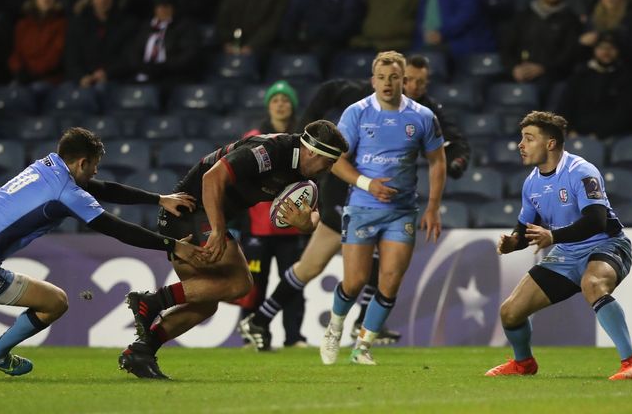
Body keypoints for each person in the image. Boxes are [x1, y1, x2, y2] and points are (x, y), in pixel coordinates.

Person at [0, 127, 207, 376]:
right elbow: (117, 228)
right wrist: (173, 244)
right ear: (81, 163)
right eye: (93, 166)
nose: (95, 172)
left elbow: (102, 188)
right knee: (55, 302)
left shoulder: (45, 165)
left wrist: (159, 199)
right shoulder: (67, 194)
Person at [238, 53, 468, 351]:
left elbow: (449, 141)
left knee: (341, 265)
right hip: (345, 192)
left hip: (387, 202)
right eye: (409, 79)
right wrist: (307, 129)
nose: (413, 86)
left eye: (420, 83)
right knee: (314, 266)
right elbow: (329, 91)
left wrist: (459, 159)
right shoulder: (360, 101)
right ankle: (265, 320)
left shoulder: (424, 111)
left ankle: (351, 324)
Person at [120, 120, 349, 379]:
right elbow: (212, 178)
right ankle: (151, 302)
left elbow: (313, 216)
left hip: (201, 215)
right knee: (240, 282)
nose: (329, 169)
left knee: (205, 304)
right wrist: (218, 231)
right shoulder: (270, 151)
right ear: (312, 152)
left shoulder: (305, 175)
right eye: (328, 162)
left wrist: (305, 223)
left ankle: (141, 351)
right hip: (187, 211)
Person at [485, 111, 632, 380]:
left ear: (550, 143)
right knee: (510, 312)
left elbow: (596, 221)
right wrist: (513, 242)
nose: (520, 145)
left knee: (593, 283)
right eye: (521, 138)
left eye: (528, 138)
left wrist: (554, 237)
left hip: (607, 244)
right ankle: (523, 363)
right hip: (566, 253)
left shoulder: (581, 172)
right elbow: (525, 228)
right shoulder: (532, 183)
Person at [317, 50, 446, 366]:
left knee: (390, 281)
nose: (387, 83)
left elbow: (437, 161)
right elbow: (335, 160)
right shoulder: (356, 113)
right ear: (372, 80)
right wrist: (367, 184)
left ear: (404, 80)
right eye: (381, 77)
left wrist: (432, 207)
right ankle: (334, 328)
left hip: (402, 211)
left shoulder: (423, 117)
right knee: (355, 280)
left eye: (394, 78)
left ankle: (362, 347)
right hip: (362, 207)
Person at [236, 80, 309, 348]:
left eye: (285, 100)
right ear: (269, 106)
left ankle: (294, 337)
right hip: (257, 229)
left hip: (292, 228)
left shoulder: (303, 139)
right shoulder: (253, 136)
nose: (280, 104)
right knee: (253, 284)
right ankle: (251, 336)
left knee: (293, 284)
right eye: (275, 99)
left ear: (292, 106)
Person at [500, 0, 581, 104]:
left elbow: (569, 55)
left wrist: (543, 68)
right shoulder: (523, 16)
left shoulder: (571, 20)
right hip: (519, 74)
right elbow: (506, 48)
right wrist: (514, 68)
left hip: (552, 78)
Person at [557, 31, 632, 139]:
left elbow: (625, 114)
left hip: (610, 136)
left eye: (611, 48)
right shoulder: (580, 75)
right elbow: (565, 107)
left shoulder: (626, 77)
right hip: (575, 134)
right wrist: (570, 130)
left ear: (618, 51)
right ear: (594, 49)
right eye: (601, 48)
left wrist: (599, 135)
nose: (606, 52)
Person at [8, 0, 67, 86]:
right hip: (25, 77)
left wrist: (35, 73)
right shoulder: (23, 24)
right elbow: (16, 53)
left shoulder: (61, 24)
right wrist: (19, 71)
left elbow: (57, 52)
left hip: (49, 79)